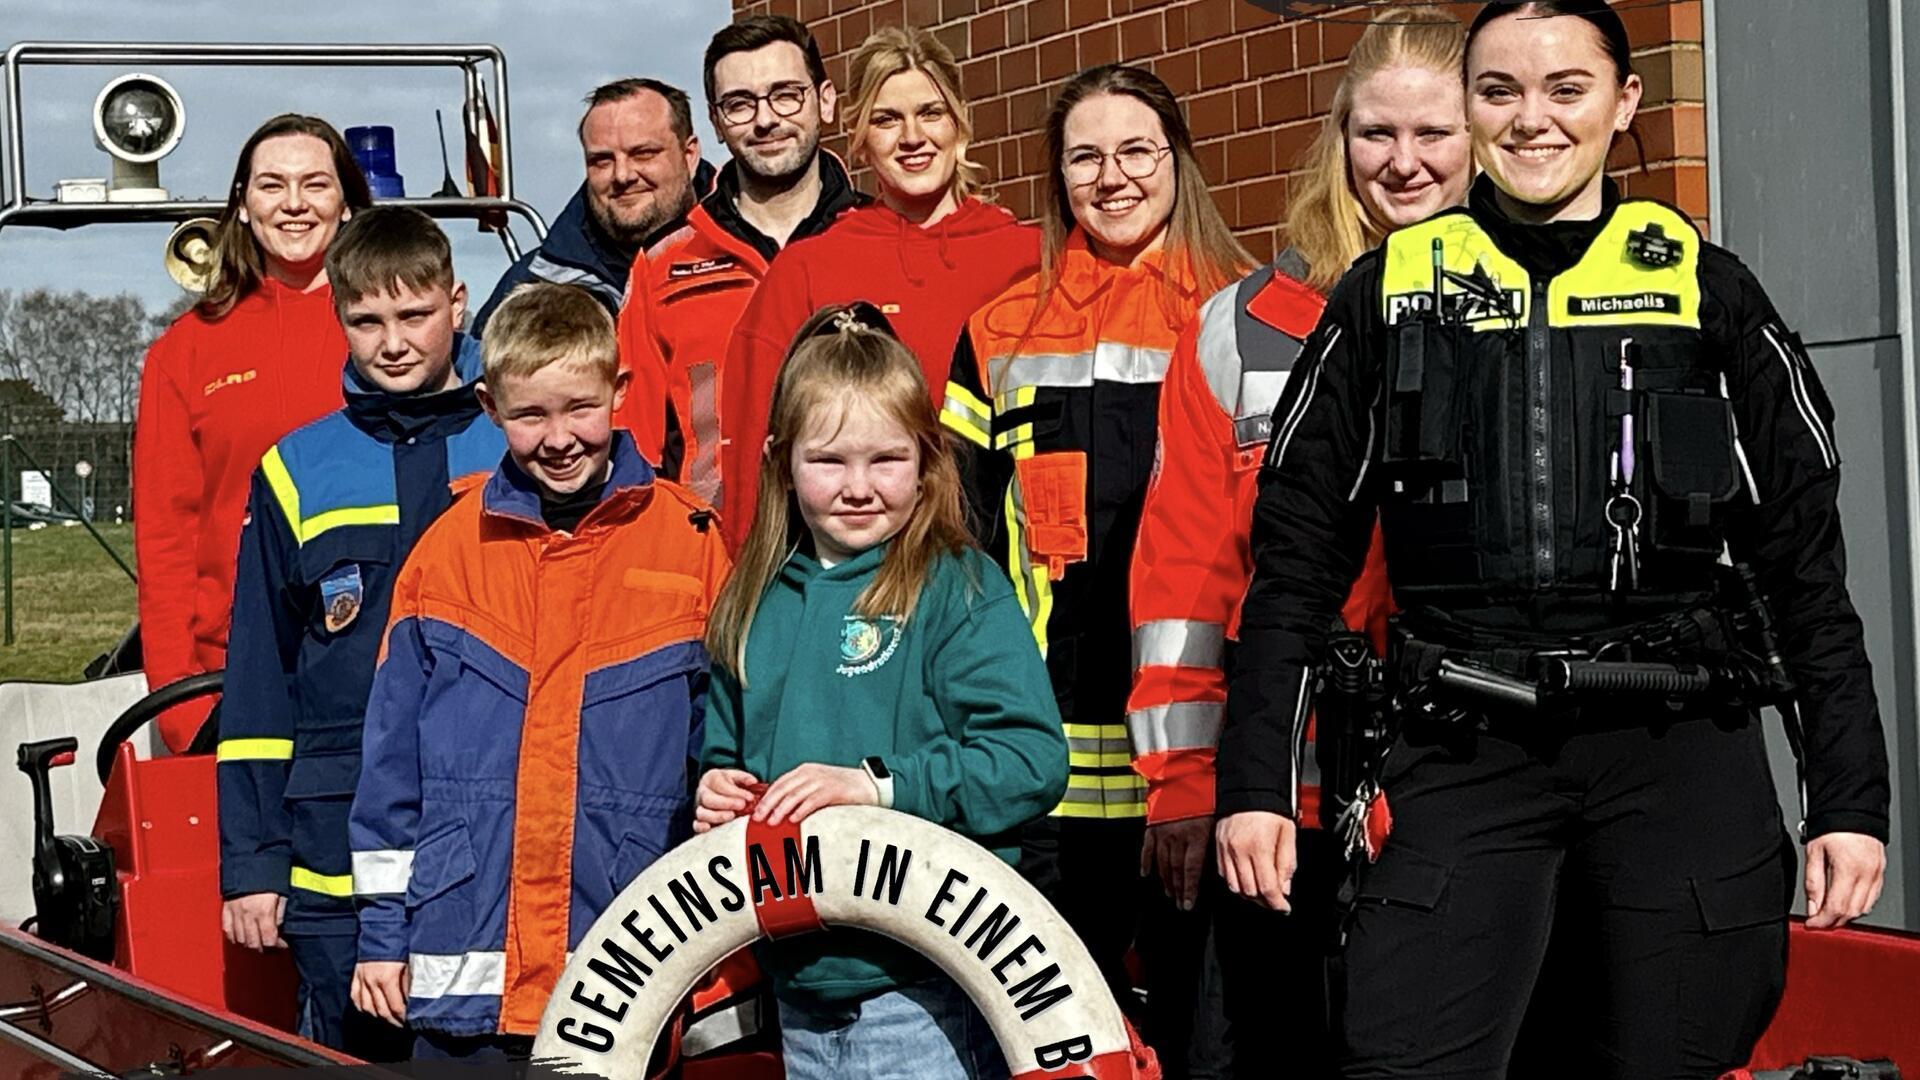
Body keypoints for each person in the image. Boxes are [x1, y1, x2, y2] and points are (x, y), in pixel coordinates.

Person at [1216, 3, 1890, 1076]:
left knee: (1672, 1052)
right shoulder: (1389, 293)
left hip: (1675, 749)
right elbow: (1296, 564)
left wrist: (1848, 800)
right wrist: (1255, 786)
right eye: (1500, 92)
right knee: (1400, 1057)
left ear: (1625, 104)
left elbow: (1802, 569)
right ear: (1470, 108)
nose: (1533, 120)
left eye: (1566, 89)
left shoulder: (1704, 291)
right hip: (1463, 742)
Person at [1126, 12, 1469, 1077]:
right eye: (1376, 135)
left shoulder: (1527, 310)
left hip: (1459, 799)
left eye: (1434, 134)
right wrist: (1184, 785)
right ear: (1338, 137)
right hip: (1275, 806)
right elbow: (1185, 572)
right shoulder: (1242, 328)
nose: (1401, 165)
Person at [939, 64, 1252, 1072]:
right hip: (1046, 767)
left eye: (1135, 151)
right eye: (1085, 156)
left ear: (1179, 161)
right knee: (1056, 1049)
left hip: (1204, 769)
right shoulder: (997, 332)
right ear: (1054, 176)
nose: (1111, 177)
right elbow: (959, 549)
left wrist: (1203, 776)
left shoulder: (1248, 317)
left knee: (1210, 1042)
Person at [346, 282, 728, 1061]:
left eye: (580, 408)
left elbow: (723, 749)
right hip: (464, 970)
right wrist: (382, 936)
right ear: (489, 406)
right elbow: (389, 769)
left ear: (620, 392)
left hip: (625, 962)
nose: (559, 438)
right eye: (529, 415)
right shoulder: (448, 550)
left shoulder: (690, 542)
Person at [696, 301, 1067, 1080]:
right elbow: (725, 750)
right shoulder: (750, 602)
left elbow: (1031, 760)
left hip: (926, 986)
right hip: (798, 987)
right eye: (829, 461)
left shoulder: (956, 587)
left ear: (927, 460)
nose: (859, 487)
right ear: (780, 461)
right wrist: (716, 791)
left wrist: (878, 787)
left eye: (887, 460)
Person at [215, 206, 504, 1059]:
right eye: (366, 320)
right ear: (338, 319)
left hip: (489, 820)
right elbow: (261, 677)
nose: (393, 343)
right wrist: (255, 865)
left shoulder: (520, 440)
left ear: (458, 304)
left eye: (414, 316)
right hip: (330, 845)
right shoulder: (296, 468)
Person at [719, 25, 1039, 552]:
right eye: (886, 119)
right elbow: (757, 455)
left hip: (1002, 560)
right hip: (857, 564)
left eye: (930, 113)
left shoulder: (1029, 257)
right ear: (860, 135)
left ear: (960, 123)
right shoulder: (808, 269)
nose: (912, 137)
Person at [135, 114, 374, 753]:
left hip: (381, 668)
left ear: (346, 202)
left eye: (315, 184)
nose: (293, 204)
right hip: (235, 678)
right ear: (242, 205)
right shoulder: (186, 352)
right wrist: (184, 708)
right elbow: (165, 536)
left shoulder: (396, 334)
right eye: (272, 185)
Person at [615, 14, 868, 502]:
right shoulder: (664, 264)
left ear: (826, 100)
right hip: (715, 553)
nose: (766, 118)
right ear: (715, 122)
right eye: (740, 104)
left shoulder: (880, 242)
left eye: (786, 94)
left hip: (864, 549)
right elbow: (633, 447)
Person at [472, 79, 716, 335]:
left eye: (643, 153)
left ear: (689, 156)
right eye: (602, 161)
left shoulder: (752, 254)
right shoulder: (530, 289)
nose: (622, 175)